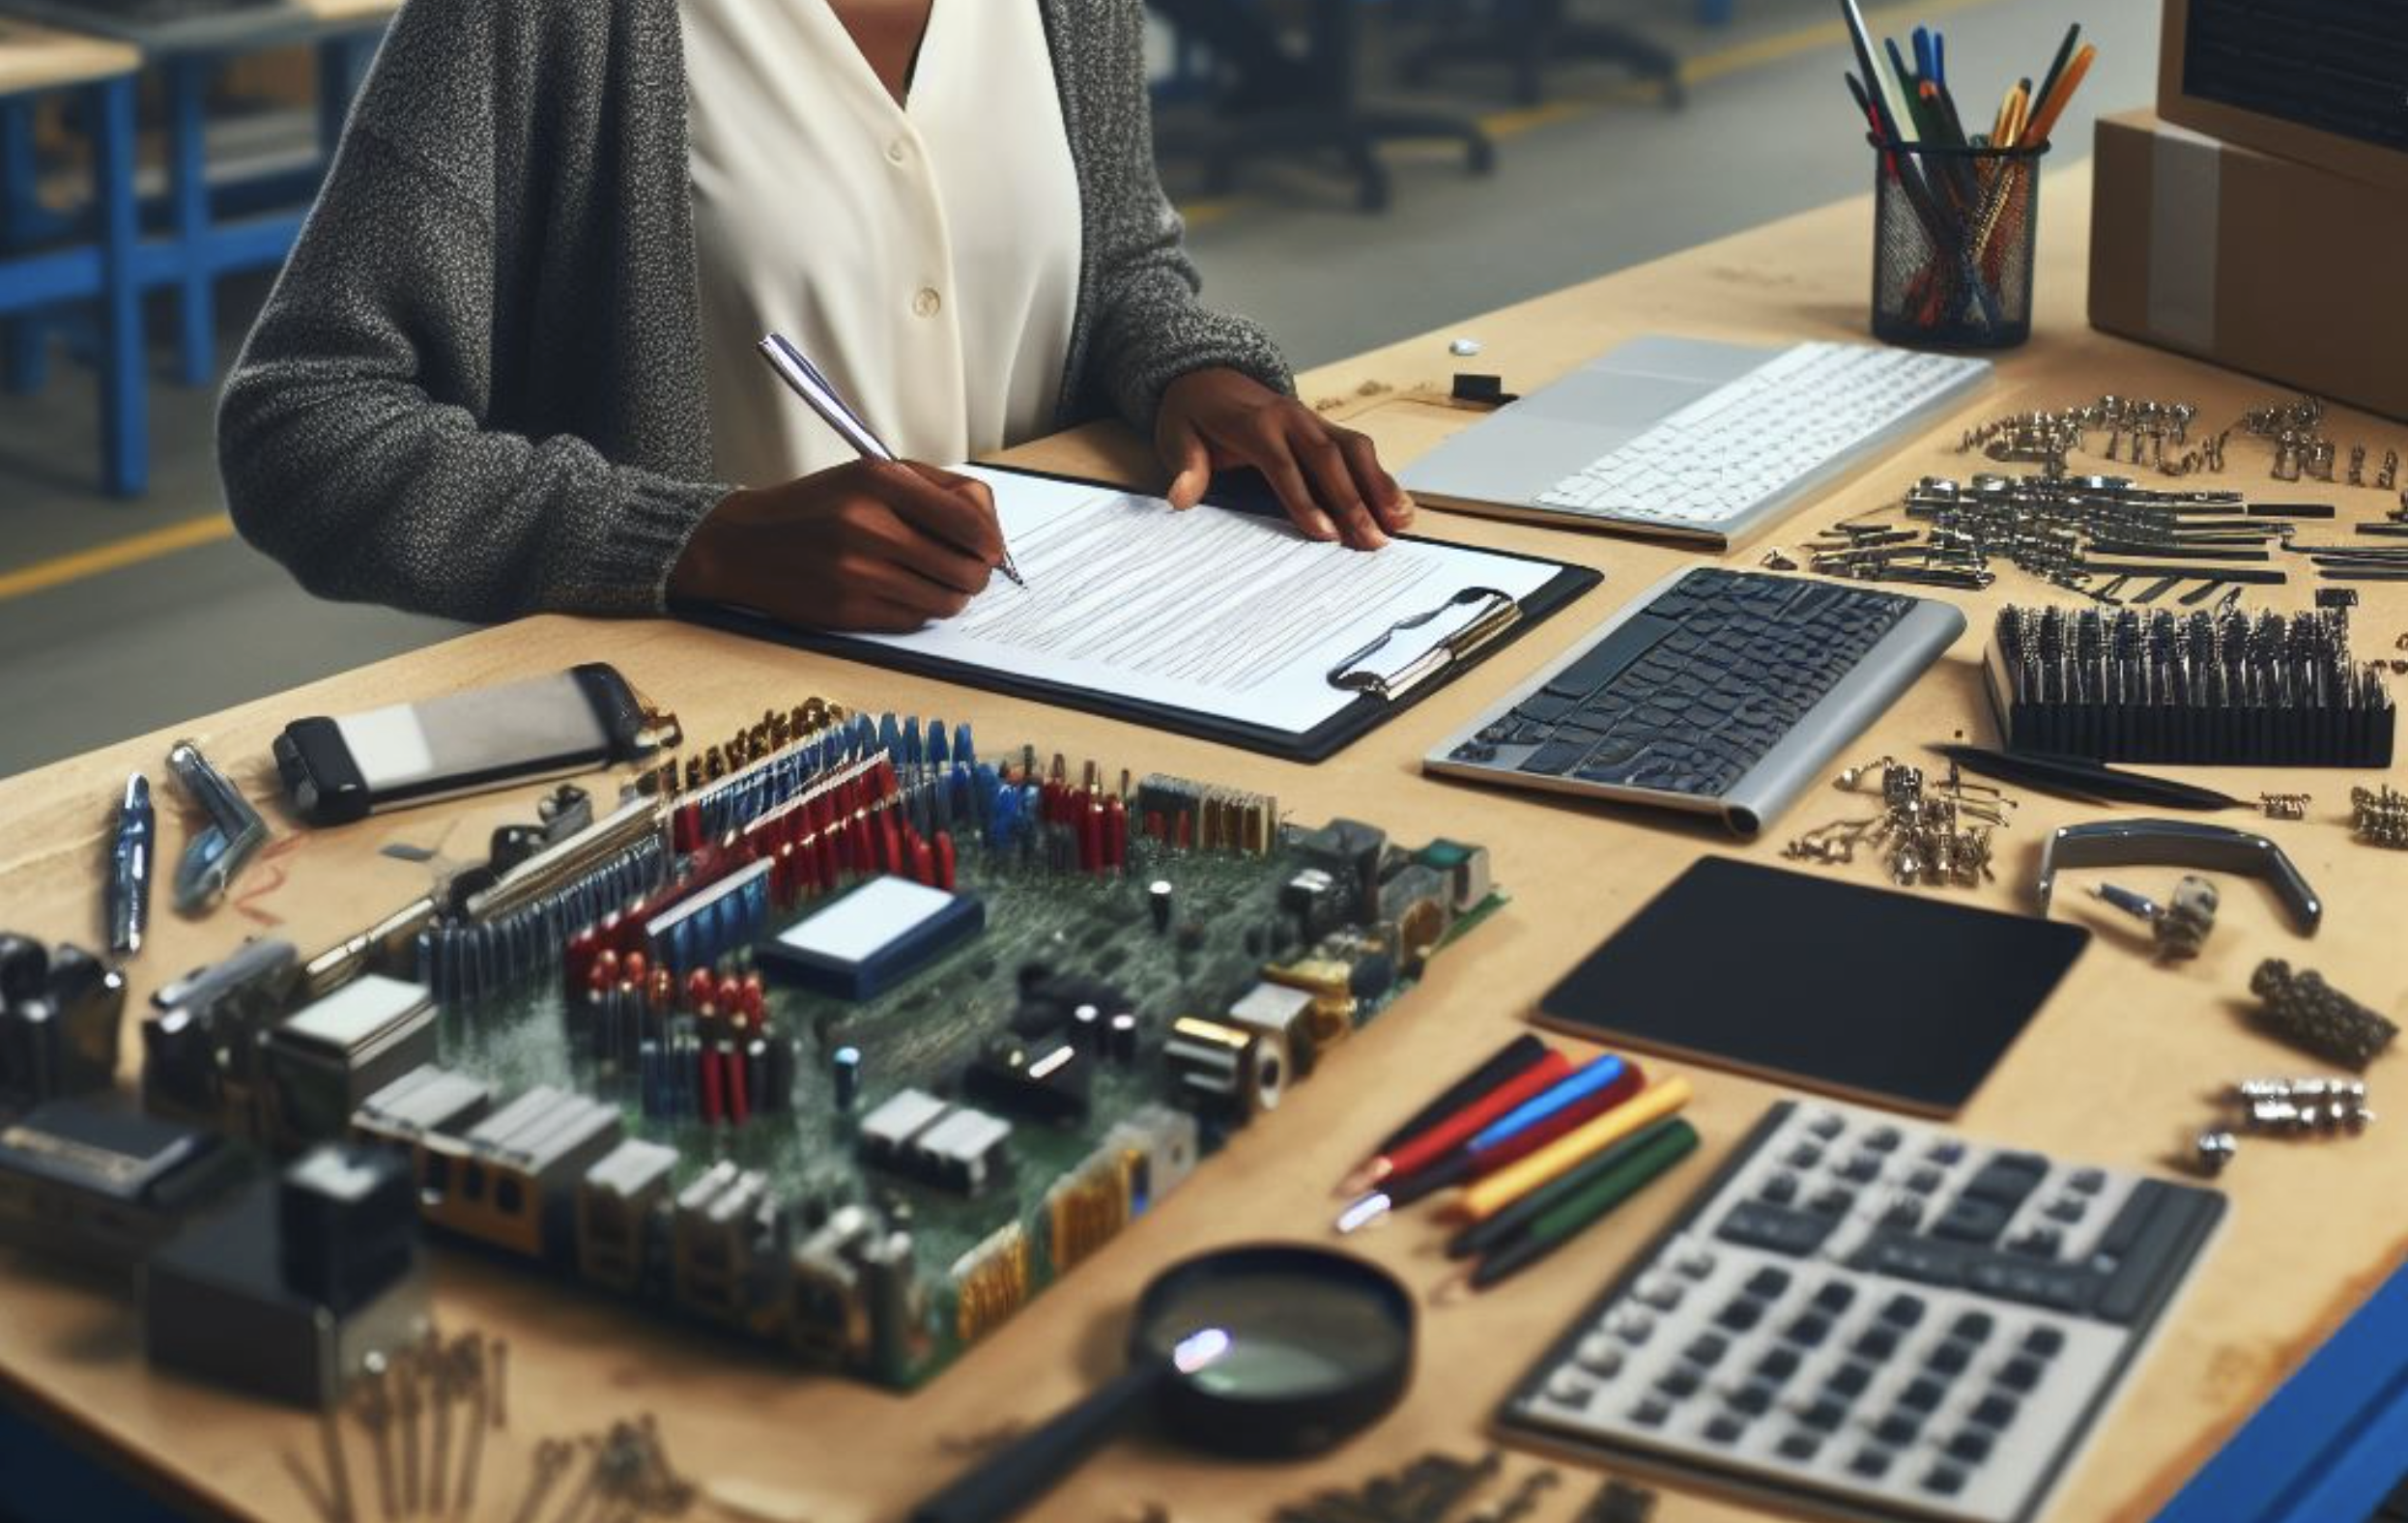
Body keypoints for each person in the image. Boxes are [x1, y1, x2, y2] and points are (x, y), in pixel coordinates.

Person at [218, 0, 1414, 634]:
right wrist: (694, 543)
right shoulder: (550, 17)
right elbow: (306, 427)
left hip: (1052, 689)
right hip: (719, 759)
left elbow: (1117, 271)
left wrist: (1193, 372)